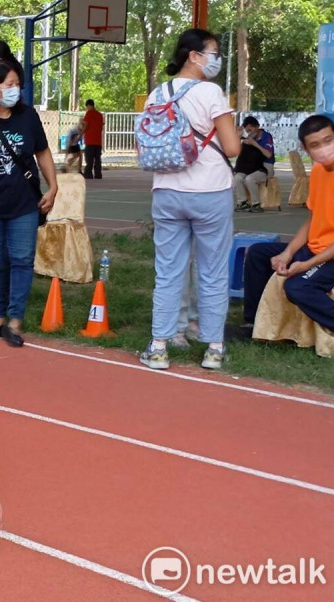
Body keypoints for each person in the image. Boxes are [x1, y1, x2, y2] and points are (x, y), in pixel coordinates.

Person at [139, 28, 241, 371]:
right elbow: (232, 148)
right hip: (210, 190)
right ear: (193, 56)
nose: (217, 59)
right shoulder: (210, 92)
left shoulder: (157, 93)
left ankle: (158, 346)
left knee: (168, 272)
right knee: (212, 271)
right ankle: (213, 348)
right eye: (213, 52)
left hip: (167, 191)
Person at [0, 60, 57, 347]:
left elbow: (43, 152)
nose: (15, 89)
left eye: (17, 84)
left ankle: (15, 319)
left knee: (21, 260)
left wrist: (53, 185)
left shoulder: (28, 116)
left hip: (24, 202)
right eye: (8, 84)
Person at [243, 114, 334, 333]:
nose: (323, 148)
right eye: (315, 145)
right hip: (314, 249)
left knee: (298, 287)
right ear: (306, 149)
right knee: (257, 253)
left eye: (328, 140)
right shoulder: (319, 172)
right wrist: (288, 253)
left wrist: (306, 265)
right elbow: (313, 221)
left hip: (329, 256)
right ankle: (253, 324)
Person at [234, 116, 275, 213]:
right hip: (251, 167)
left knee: (250, 179)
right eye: (247, 131)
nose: (249, 132)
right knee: (238, 177)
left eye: (250, 129)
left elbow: (268, 155)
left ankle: (256, 204)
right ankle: (243, 202)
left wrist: (255, 144)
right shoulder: (248, 138)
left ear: (257, 127)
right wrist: (238, 138)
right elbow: (236, 152)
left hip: (265, 167)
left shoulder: (266, 136)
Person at [82, 100, 104, 179]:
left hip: (90, 140)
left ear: (88, 105)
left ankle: (88, 174)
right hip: (98, 141)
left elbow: (85, 125)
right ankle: (98, 174)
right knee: (97, 159)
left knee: (89, 160)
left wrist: (81, 133)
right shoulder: (100, 115)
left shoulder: (89, 113)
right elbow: (101, 127)